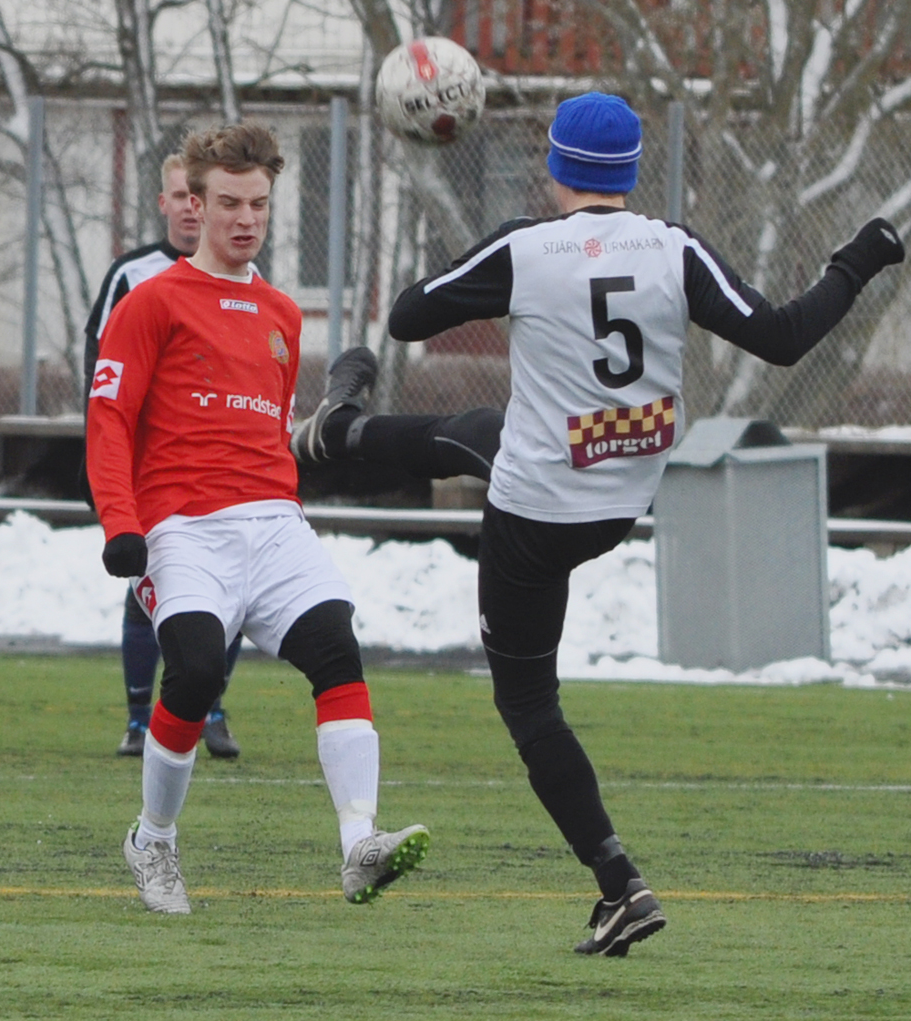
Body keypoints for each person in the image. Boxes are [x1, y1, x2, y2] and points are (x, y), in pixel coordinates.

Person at [293, 92, 904, 955]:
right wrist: (860, 256)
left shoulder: (527, 247)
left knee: (526, 701)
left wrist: (484, 263)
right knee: (481, 430)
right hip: (618, 499)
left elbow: (405, 316)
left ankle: (620, 883)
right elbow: (782, 336)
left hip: (535, 512)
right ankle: (339, 431)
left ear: (553, 166)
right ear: (630, 171)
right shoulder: (670, 246)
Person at [85, 122, 430, 915]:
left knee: (336, 647)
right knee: (197, 670)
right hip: (182, 525)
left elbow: (266, 428)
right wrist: (120, 523)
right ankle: (153, 839)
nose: (246, 219)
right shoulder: (151, 301)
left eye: (259, 204)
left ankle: (359, 844)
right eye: (229, 203)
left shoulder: (279, 310)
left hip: (273, 520)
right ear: (197, 204)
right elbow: (108, 419)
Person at [84, 153, 241, 760]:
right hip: (149, 470)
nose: (189, 208)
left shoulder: (241, 277)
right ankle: (137, 717)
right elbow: (102, 373)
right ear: (166, 203)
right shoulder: (133, 274)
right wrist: (105, 461)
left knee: (228, 591)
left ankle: (211, 711)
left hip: (218, 472)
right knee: (145, 587)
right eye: (178, 196)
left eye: (196, 197)